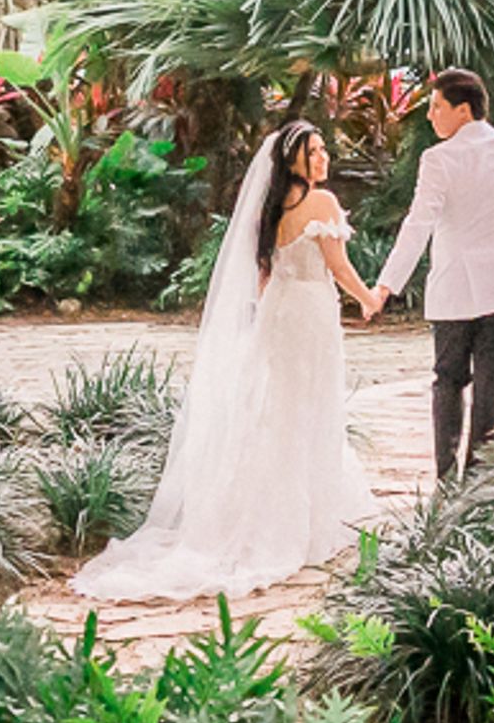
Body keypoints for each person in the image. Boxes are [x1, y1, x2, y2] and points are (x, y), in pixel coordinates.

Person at [68, 120, 381, 601]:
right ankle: (302, 519)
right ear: (292, 160)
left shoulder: (268, 207)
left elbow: (262, 275)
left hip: (278, 313)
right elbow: (338, 267)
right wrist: (368, 298)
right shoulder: (321, 203)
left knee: (275, 409)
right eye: (314, 152)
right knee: (308, 405)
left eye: (323, 151)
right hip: (310, 314)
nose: (324, 159)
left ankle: (259, 509)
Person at [375, 69, 494, 479]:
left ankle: (445, 476)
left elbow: (418, 223)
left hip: (454, 288)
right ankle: (480, 479)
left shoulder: (439, 159)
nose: (430, 116)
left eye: (437, 106)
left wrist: (387, 284)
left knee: (448, 381)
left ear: (463, 109)